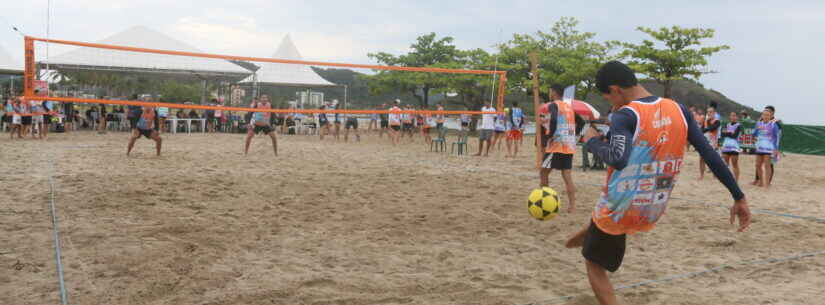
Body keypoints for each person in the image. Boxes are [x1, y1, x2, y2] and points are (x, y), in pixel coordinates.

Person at [565, 61, 750, 305]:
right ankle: (591, 229)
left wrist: (592, 141)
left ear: (615, 89)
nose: (611, 104)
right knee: (604, 213)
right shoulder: (679, 110)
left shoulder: (625, 114)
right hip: (654, 205)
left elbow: (617, 158)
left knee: (594, 263)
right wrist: (738, 196)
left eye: (608, 98)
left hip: (622, 205)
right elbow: (709, 154)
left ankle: (595, 231)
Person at [539, 85, 581, 213]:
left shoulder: (554, 105)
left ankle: (545, 201)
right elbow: (582, 123)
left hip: (557, 145)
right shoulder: (569, 107)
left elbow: (555, 120)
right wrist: (573, 134)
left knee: (543, 172)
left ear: (554, 92)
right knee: (567, 176)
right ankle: (572, 206)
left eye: (550, 91)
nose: (549, 93)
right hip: (569, 145)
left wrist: (549, 135)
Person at [752, 107, 780, 188]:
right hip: (759, 147)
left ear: (771, 116)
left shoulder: (773, 125)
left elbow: (776, 137)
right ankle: (760, 182)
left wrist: (775, 149)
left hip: (769, 148)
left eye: (767, 115)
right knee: (757, 165)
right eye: (764, 114)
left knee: (767, 166)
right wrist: (754, 139)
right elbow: (754, 134)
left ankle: (767, 183)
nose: (765, 116)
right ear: (762, 116)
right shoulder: (758, 124)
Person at [699, 106, 721, 180]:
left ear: (714, 113)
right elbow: (701, 130)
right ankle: (701, 175)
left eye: (711, 112)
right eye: (708, 112)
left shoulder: (717, 121)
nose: (709, 113)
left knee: (712, 160)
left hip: (713, 142)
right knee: (701, 159)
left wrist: (706, 126)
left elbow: (712, 128)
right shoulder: (705, 121)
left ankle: (715, 175)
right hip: (705, 141)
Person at [720, 112, 743, 182]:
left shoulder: (739, 125)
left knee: (734, 164)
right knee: (725, 164)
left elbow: (734, 135)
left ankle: (736, 180)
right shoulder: (727, 125)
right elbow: (722, 134)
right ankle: (727, 179)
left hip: (734, 146)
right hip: (726, 145)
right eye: (731, 116)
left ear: (737, 117)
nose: (733, 117)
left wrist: (727, 133)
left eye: (734, 116)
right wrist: (730, 133)